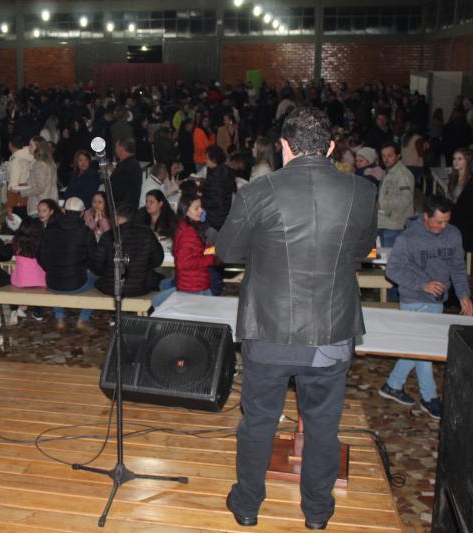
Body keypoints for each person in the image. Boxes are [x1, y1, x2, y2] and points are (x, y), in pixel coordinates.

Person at [216, 107, 377, 531]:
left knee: (259, 421)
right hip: (331, 330)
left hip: (269, 330)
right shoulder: (361, 192)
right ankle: (317, 513)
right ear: (329, 147)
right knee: (324, 425)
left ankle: (248, 506)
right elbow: (362, 249)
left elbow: (229, 252)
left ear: (283, 146)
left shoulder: (257, 192)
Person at [379, 195, 472, 420]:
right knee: (423, 351)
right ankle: (430, 399)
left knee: (418, 349)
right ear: (425, 217)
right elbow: (393, 271)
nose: (443, 226)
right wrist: (423, 284)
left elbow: (458, 268)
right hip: (413, 299)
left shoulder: (453, 234)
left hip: (438, 300)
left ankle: (393, 385)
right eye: (438, 221)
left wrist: (464, 296)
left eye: (446, 221)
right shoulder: (408, 238)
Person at [38, 196, 97, 332]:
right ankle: (83, 318)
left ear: (64, 211)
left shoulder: (49, 230)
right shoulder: (86, 232)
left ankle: (59, 318)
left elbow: (40, 255)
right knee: (97, 277)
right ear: (82, 213)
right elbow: (94, 259)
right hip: (78, 284)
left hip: (52, 283)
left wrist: (50, 269)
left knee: (58, 276)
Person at [152, 193, 217, 308]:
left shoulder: (185, 226)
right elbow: (184, 262)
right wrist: (211, 259)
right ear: (186, 210)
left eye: (200, 207)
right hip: (194, 287)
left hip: (190, 283)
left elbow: (195, 251)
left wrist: (212, 249)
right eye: (196, 208)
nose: (201, 211)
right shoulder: (189, 233)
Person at [92, 202, 164, 297]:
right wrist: (143, 266)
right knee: (163, 279)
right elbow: (158, 260)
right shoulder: (147, 233)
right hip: (140, 287)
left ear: (119, 218)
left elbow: (97, 266)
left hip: (112, 287)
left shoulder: (107, 236)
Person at [8, 217, 46, 325]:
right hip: (38, 280)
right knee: (41, 287)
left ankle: (14, 310)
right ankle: (37, 312)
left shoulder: (16, 242)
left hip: (20, 280)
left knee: (14, 283)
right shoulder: (39, 242)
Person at [378, 142, 415, 248]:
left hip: (396, 225)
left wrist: (382, 204)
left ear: (398, 156)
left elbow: (405, 200)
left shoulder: (403, 174)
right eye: (383, 156)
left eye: (390, 155)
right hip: (386, 222)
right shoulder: (389, 171)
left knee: (391, 259)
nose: (386, 159)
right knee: (384, 256)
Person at [15, 136, 58, 218]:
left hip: (39, 205)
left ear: (38, 148)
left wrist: (22, 192)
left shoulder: (39, 164)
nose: (28, 148)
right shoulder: (50, 162)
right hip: (50, 202)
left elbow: (40, 188)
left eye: (31, 146)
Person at [202, 144, 236, 231]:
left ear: (214, 160)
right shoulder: (226, 170)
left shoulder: (215, 178)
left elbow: (216, 202)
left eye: (207, 158)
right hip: (225, 212)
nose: (204, 160)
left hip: (215, 218)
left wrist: (200, 199)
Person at [5, 134, 32, 219]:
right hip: (28, 198)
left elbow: (13, 187)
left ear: (10, 144)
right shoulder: (29, 156)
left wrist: (9, 208)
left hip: (18, 200)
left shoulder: (15, 161)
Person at [110, 138, 143, 208]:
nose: (115, 150)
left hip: (122, 209)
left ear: (121, 150)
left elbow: (116, 193)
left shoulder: (123, 169)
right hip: (131, 207)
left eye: (116, 147)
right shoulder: (134, 163)